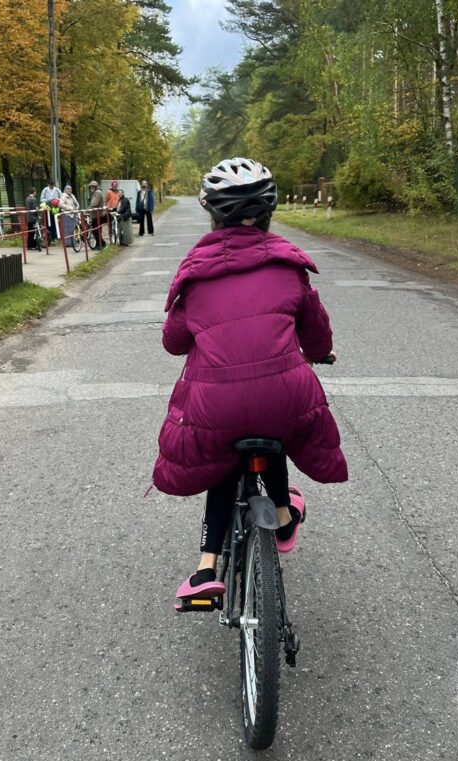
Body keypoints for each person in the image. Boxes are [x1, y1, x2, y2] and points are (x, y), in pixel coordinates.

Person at [151, 157, 348, 607]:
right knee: (270, 429)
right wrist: (320, 355)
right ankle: (282, 515)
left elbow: (174, 342)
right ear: (269, 211)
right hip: (286, 399)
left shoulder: (195, 273)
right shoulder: (289, 266)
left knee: (224, 457)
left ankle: (205, 570)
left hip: (215, 406)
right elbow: (315, 331)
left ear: (213, 213)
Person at [88, 180, 106, 250]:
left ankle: (102, 243)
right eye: (90, 187)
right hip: (96, 215)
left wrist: (87, 209)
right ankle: (98, 244)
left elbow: (94, 204)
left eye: (93, 187)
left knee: (96, 231)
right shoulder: (95, 193)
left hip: (97, 215)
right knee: (96, 231)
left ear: (96, 187)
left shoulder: (97, 193)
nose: (92, 188)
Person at [25, 187, 42, 251]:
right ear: (34, 192)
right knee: (34, 232)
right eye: (35, 191)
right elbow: (34, 208)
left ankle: (29, 245)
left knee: (30, 232)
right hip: (33, 218)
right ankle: (34, 245)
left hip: (28, 217)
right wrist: (37, 211)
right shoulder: (33, 199)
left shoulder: (27, 199)